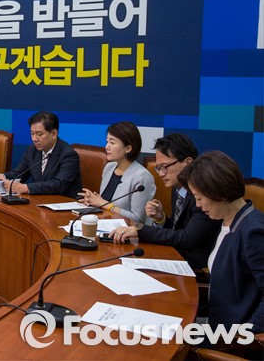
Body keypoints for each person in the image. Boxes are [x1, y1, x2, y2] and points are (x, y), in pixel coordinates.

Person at [179, 151, 263, 342]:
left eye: (199, 198)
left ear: (220, 193)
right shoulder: (227, 220)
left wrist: (243, 338)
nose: (197, 205)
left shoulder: (253, 231)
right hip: (215, 322)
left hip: (230, 338)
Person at [110, 134, 220, 270]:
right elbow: (177, 231)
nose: (161, 173)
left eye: (165, 166)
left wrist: (140, 230)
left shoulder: (203, 194)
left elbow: (188, 238)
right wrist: (161, 219)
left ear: (188, 163)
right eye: (158, 168)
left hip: (196, 267)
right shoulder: (177, 188)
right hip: (174, 256)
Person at [78, 121, 155, 223]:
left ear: (128, 148)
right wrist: (93, 200)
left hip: (127, 230)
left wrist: (104, 204)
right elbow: (104, 203)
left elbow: (137, 219)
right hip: (105, 224)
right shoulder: (109, 168)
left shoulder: (142, 176)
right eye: (107, 141)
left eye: (112, 143)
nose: (107, 147)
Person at [0, 111, 81, 198]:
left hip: (63, 203)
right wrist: (4, 177)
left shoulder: (68, 155)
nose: (34, 139)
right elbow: (19, 173)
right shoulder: (32, 150)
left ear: (54, 134)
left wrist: (25, 188)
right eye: (32, 133)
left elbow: (59, 184)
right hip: (41, 201)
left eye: (39, 134)